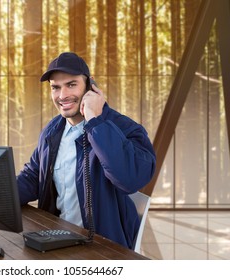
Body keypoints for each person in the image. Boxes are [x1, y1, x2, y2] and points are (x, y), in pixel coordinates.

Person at [16, 52, 156, 249]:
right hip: (56, 238)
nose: (62, 95)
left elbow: (130, 179)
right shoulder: (53, 130)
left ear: (90, 86)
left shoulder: (126, 128)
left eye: (71, 85)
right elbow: (33, 176)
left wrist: (95, 121)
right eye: (56, 88)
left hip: (102, 246)